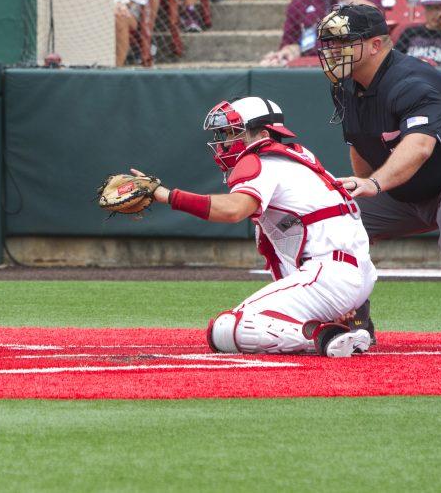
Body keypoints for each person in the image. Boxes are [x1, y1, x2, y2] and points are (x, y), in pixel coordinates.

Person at [135, 96, 377, 357]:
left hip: (330, 276)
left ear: (262, 134)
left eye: (232, 132)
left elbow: (233, 210)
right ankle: (341, 326)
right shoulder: (299, 159)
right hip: (353, 275)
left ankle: (328, 336)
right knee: (241, 325)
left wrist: (167, 196)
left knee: (228, 328)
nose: (225, 142)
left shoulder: (260, 161)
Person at [317, 1, 441, 325]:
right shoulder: (345, 85)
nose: (334, 50)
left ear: (375, 45)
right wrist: (363, 190)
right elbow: (359, 142)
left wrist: (374, 184)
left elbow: (419, 147)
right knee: (336, 222)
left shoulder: (410, 82)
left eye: (344, 42)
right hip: (404, 191)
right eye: (330, 43)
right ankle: (350, 322)